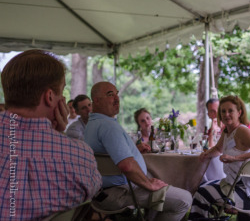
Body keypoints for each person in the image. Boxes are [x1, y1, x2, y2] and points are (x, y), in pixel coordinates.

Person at [0, 49, 101, 220]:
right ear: (49, 97)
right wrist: (58, 135)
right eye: (61, 91)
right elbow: (94, 192)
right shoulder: (80, 156)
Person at [85, 81, 192, 221]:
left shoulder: (92, 124)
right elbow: (126, 166)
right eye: (110, 95)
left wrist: (133, 149)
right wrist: (148, 184)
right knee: (184, 200)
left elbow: (110, 156)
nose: (117, 98)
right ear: (96, 100)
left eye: (117, 94)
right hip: (119, 192)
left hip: (101, 192)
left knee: (161, 187)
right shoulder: (107, 126)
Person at [189, 95, 250, 220]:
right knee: (203, 185)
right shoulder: (228, 131)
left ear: (239, 112)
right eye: (223, 111)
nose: (226, 114)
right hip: (238, 186)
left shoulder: (242, 131)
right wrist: (207, 153)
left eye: (230, 111)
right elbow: (218, 149)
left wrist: (236, 158)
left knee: (201, 193)